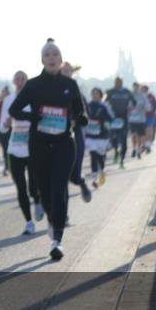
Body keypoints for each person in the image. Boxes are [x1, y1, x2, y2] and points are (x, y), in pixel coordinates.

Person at [9, 40, 87, 261]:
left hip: (64, 143)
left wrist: (80, 118)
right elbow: (15, 110)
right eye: (47, 55)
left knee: (58, 188)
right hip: (39, 144)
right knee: (44, 191)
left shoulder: (70, 85)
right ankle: (53, 220)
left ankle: (57, 240)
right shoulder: (32, 85)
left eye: (55, 54)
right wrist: (31, 117)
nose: (52, 58)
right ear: (42, 60)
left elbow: (81, 112)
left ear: (60, 59)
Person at [0, 70, 42, 235]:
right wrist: (7, 122)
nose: (20, 81)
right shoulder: (8, 100)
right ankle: (29, 222)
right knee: (21, 188)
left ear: (27, 81)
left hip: (32, 149)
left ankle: (37, 200)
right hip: (14, 149)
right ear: (13, 81)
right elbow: (2, 129)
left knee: (33, 186)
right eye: (17, 78)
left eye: (23, 78)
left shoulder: (34, 99)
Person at [60, 62, 91, 204]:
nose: (65, 73)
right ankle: (62, 214)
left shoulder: (76, 90)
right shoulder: (50, 89)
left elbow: (85, 115)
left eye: (68, 71)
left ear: (72, 73)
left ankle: (82, 183)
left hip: (75, 134)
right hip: (55, 135)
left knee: (74, 174)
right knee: (60, 176)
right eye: (63, 70)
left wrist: (74, 121)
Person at [84, 87, 114, 188]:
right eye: (93, 93)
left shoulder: (104, 106)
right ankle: (95, 178)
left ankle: (101, 172)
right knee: (93, 155)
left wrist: (103, 120)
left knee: (100, 157)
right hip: (90, 135)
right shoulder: (87, 105)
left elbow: (110, 119)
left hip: (102, 136)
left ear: (100, 95)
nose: (94, 95)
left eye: (96, 93)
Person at [104, 76, 133, 169]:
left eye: (120, 82)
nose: (118, 83)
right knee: (113, 138)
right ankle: (116, 151)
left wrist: (130, 108)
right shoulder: (110, 92)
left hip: (124, 118)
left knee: (124, 139)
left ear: (122, 82)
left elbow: (134, 102)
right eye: (116, 82)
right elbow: (103, 101)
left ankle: (122, 160)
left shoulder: (127, 91)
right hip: (113, 118)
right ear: (114, 83)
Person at [128, 82, 148, 158]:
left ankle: (138, 150)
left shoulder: (143, 96)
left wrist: (143, 109)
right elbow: (127, 106)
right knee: (133, 135)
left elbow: (147, 106)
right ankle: (134, 149)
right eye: (134, 87)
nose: (135, 89)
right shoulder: (130, 95)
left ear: (138, 87)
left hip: (140, 119)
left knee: (139, 136)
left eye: (137, 87)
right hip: (132, 119)